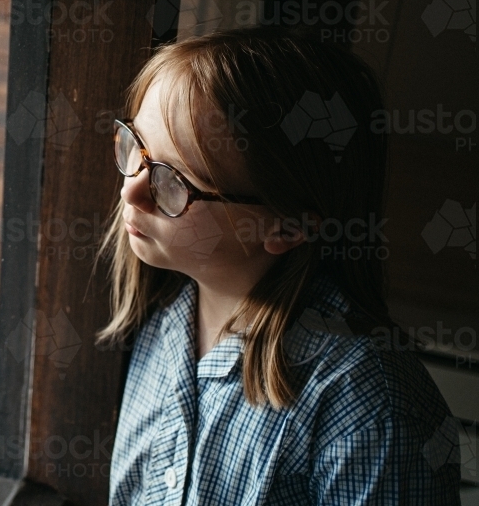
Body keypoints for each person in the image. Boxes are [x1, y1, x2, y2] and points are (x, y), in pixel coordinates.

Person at [96, 27, 462, 505]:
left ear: (285, 228)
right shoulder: (163, 322)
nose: (131, 191)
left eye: (174, 182)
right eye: (135, 147)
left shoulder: (370, 411)